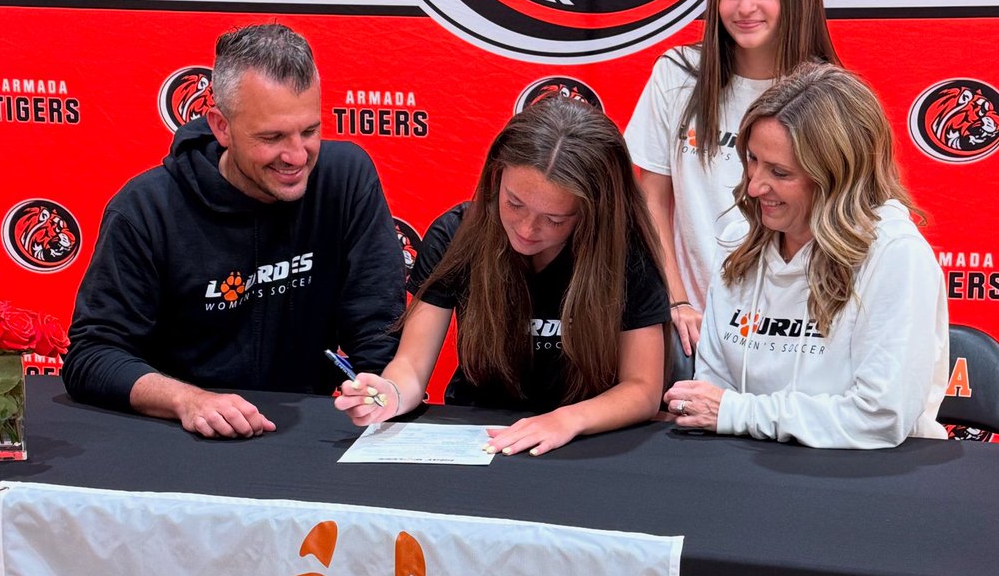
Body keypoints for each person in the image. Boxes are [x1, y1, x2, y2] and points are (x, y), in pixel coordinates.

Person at [660, 63, 949, 576]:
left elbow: (881, 416)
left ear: (838, 170)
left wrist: (744, 414)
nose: (754, 186)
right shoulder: (749, 248)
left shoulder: (893, 252)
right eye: (751, 162)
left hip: (859, 518)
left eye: (777, 171)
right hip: (750, 503)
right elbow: (708, 380)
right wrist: (735, 413)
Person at [63, 23, 404, 439]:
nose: (296, 156)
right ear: (221, 126)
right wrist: (187, 400)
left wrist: (379, 392)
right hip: (181, 439)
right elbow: (92, 355)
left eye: (310, 130)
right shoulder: (146, 208)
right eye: (272, 137)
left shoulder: (345, 179)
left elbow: (377, 330)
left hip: (308, 438)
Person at [334, 97, 669, 456]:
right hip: (480, 438)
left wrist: (567, 420)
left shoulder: (625, 252)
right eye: (514, 203)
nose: (527, 229)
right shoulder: (457, 235)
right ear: (497, 174)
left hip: (586, 440)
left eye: (554, 220)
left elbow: (643, 389)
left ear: (594, 211)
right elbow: (413, 365)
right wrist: (392, 393)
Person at [626, 0, 840, 361]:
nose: (745, 7)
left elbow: (839, 222)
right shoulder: (679, 74)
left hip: (794, 332)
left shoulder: (828, 94)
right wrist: (676, 299)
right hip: (694, 328)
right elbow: (651, 198)